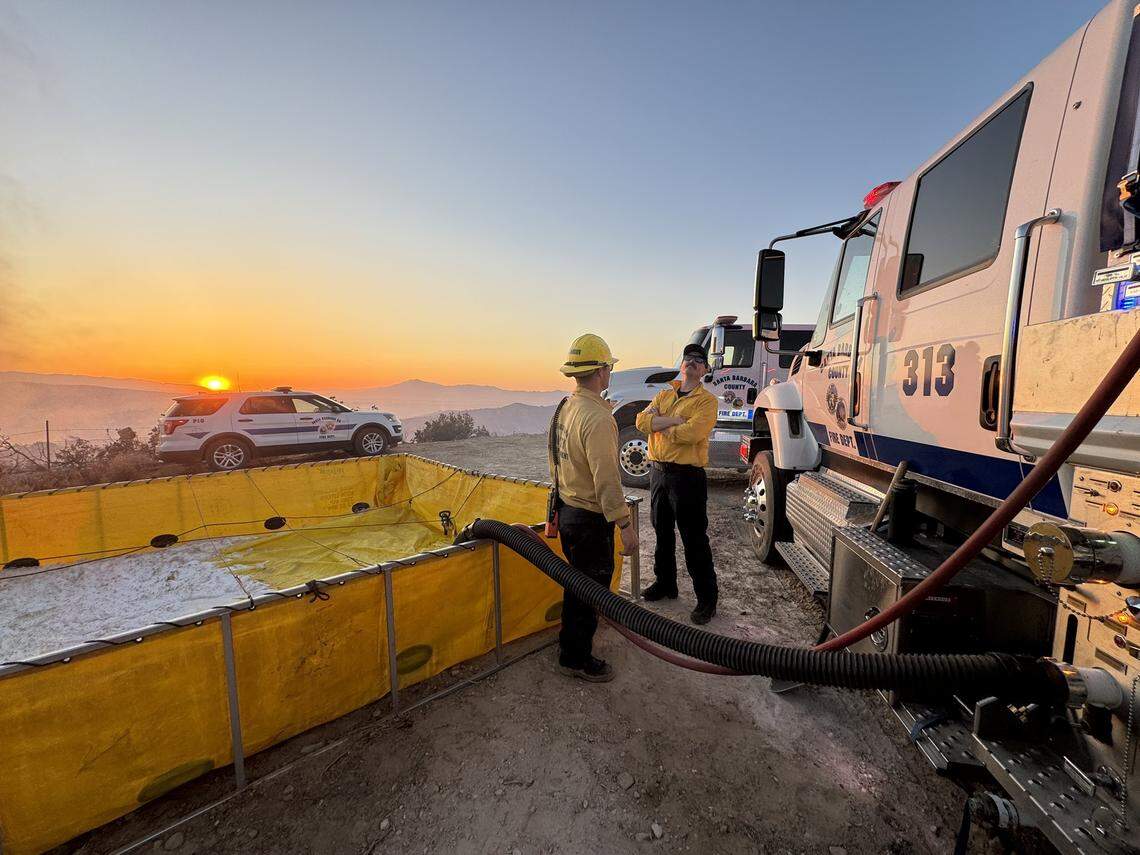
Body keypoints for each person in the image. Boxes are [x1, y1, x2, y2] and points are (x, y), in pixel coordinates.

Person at [548, 333, 639, 682]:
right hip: (588, 520)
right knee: (588, 591)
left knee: (576, 585)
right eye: (609, 367)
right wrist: (625, 526)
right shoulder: (598, 419)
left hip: (568, 510)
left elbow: (555, 461)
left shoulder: (566, 408)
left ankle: (570, 645)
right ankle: (575, 658)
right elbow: (606, 480)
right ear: (602, 371)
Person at [635, 343, 719, 624]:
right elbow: (640, 421)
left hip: (687, 477)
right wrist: (672, 421)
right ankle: (666, 584)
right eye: (688, 358)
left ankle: (707, 599)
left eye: (698, 359)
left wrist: (661, 425)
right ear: (682, 364)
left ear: (705, 369)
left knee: (694, 539)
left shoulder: (707, 402)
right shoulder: (663, 394)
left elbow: (692, 433)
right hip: (658, 473)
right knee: (662, 532)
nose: (692, 362)